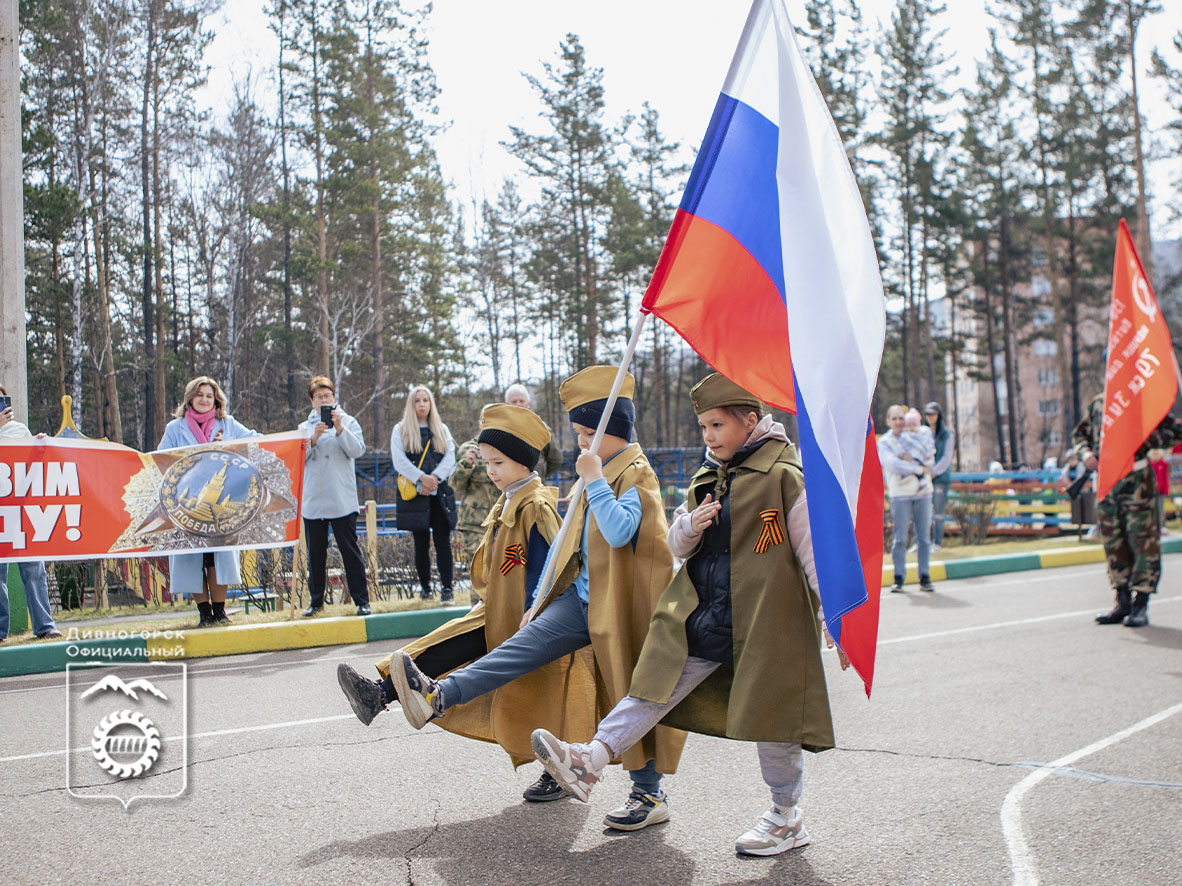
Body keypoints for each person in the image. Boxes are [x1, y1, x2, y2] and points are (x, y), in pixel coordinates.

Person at [530, 372, 848, 857]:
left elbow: (812, 552)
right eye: (702, 427)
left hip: (767, 622)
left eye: (717, 425)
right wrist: (691, 528)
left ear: (750, 420)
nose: (709, 436)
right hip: (707, 615)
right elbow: (678, 544)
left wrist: (835, 618)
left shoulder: (785, 476)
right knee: (652, 684)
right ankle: (588, 761)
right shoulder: (708, 477)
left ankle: (786, 816)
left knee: (775, 721)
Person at [388, 366, 687, 831]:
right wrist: (540, 599)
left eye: (590, 433)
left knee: (631, 695)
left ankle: (649, 794)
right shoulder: (601, 469)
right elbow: (570, 545)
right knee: (514, 653)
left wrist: (593, 480)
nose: (582, 444)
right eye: (580, 435)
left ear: (616, 430)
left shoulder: (637, 475)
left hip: (623, 613)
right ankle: (437, 696)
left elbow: (621, 530)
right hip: (581, 603)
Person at [336, 404, 593, 801]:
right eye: (487, 462)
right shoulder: (509, 498)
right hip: (497, 610)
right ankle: (382, 693)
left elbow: (550, 565)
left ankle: (556, 771)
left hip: (527, 618)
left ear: (524, 464)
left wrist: (534, 610)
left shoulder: (535, 504)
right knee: (450, 643)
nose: (491, 470)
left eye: (499, 462)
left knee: (543, 693)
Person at [1073, 392, 1182, 627]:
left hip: (1137, 484)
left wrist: (1143, 439)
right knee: (1114, 543)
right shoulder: (1099, 402)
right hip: (1108, 484)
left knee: (1144, 543)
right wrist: (1086, 454)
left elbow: (1175, 433)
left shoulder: (1145, 401)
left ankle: (1140, 603)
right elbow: (1080, 434)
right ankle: (1122, 600)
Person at [158, 376, 259, 627]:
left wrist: (230, 446)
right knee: (193, 557)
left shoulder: (228, 424)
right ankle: (204, 612)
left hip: (220, 504)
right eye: (199, 394)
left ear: (216, 400)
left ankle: (220, 611)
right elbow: (160, 459)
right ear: (190, 398)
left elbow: (256, 440)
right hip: (187, 505)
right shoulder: (175, 428)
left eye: (209, 395)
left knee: (218, 556)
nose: (204, 399)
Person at [299, 376, 370, 617]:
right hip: (314, 500)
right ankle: (316, 601)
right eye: (319, 397)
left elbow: (358, 450)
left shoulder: (348, 421)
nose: (324, 400)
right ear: (312, 401)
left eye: (327, 396)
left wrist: (340, 429)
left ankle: (362, 600)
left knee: (350, 551)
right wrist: (314, 438)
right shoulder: (304, 427)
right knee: (316, 555)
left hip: (342, 498)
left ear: (334, 397)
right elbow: (298, 459)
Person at [0, 387, 62, 641]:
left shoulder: (19, 430)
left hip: (21, 510)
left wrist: (38, 447)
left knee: (34, 570)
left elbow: (29, 468)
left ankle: (44, 625)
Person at [390, 385, 457, 602]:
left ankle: (447, 588)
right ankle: (425, 588)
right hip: (415, 494)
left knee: (443, 542)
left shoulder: (441, 428)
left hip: (439, 495)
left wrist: (434, 478)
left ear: (431, 404)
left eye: (425, 400)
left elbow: (450, 457)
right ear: (411, 404)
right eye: (417, 400)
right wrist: (422, 478)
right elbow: (399, 461)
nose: (421, 404)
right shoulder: (400, 430)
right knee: (420, 543)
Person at [878, 404, 934, 592]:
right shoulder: (885, 442)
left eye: (901, 418)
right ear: (888, 421)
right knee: (900, 537)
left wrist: (922, 464)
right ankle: (899, 577)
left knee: (924, 536)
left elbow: (928, 454)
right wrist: (918, 469)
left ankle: (924, 576)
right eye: (894, 418)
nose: (898, 422)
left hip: (922, 492)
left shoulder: (916, 435)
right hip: (900, 494)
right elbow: (893, 464)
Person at [504, 383, 565, 479]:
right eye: (514, 401)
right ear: (507, 405)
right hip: (506, 488)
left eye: (521, 401)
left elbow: (555, 460)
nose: (518, 404)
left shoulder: (541, 428)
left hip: (535, 487)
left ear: (528, 404)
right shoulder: (499, 429)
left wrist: (540, 474)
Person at [924, 401, 953, 550]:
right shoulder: (924, 432)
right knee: (923, 511)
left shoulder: (947, 434)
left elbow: (947, 458)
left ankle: (937, 542)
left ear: (938, 415)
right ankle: (923, 542)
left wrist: (932, 472)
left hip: (940, 478)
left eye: (932, 414)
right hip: (925, 478)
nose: (930, 417)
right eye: (927, 414)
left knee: (939, 511)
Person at [1149, 450, 1170, 536]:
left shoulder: (1162, 464)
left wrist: (1166, 490)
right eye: (1153, 454)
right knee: (1151, 509)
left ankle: (1162, 526)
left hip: (1160, 491)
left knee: (1160, 509)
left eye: (1156, 454)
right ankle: (1152, 527)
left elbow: (1165, 478)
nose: (1155, 456)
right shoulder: (1149, 464)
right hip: (1150, 492)